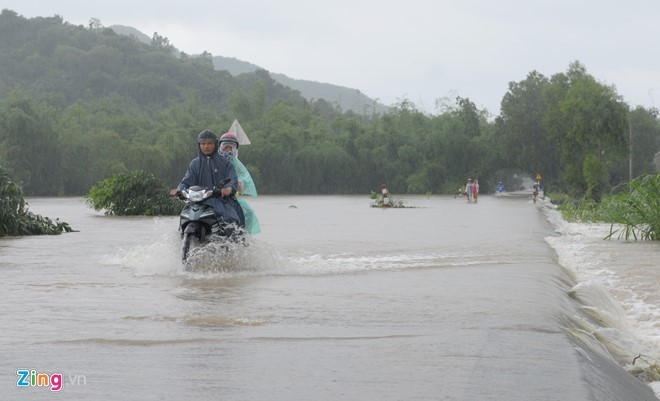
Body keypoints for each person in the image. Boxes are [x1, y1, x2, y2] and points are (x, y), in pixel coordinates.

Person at [169, 130, 241, 226]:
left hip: (221, 201)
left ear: (216, 144)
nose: (206, 146)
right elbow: (187, 181)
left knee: (231, 220)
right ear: (199, 145)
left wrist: (228, 189)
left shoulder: (226, 163)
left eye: (209, 143)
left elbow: (232, 180)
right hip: (198, 201)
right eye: (203, 143)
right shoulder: (194, 164)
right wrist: (179, 190)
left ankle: (234, 240)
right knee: (184, 219)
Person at [218, 132, 261, 235]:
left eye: (230, 147)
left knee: (248, 212)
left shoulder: (236, 165)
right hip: (213, 194)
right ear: (220, 148)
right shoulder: (213, 161)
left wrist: (240, 183)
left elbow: (244, 177)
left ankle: (243, 237)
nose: (228, 150)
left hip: (230, 197)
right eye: (225, 147)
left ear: (235, 149)